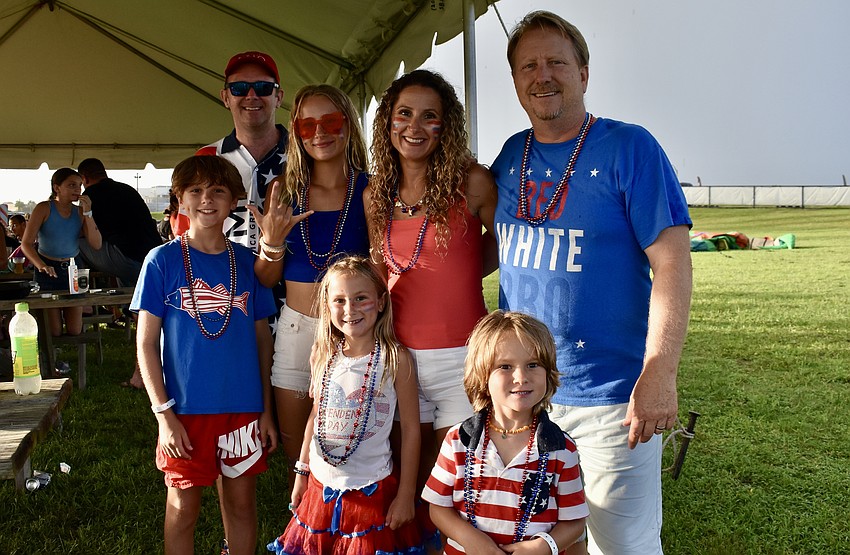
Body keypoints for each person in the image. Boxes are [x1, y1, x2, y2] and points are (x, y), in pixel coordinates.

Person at [491, 11, 693, 554]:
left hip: (610, 397)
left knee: (620, 544)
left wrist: (659, 371)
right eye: (528, 65)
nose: (543, 75)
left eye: (557, 61)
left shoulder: (630, 148)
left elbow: (673, 263)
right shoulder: (511, 156)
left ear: (583, 71)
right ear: (514, 82)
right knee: (537, 538)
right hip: (524, 394)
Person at [131, 156, 278, 554]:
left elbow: (263, 341)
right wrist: (163, 415)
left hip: (242, 409)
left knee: (242, 506)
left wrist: (265, 410)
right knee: (183, 507)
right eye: (195, 191)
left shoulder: (249, 264)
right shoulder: (161, 260)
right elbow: (145, 343)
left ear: (234, 201)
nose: (206, 199)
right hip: (185, 411)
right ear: (179, 200)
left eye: (217, 191)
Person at [366, 69, 498, 513]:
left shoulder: (473, 182)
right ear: (389, 123)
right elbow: (380, 269)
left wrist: (459, 275)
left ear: (447, 126)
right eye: (404, 114)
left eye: (429, 117)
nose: (415, 127)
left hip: (462, 357)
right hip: (399, 356)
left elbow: (503, 246)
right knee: (410, 475)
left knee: (458, 481)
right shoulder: (375, 195)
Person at [266, 256, 423, 555]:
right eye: (339, 300)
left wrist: (406, 494)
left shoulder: (394, 359)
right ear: (327, 306)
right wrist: (301, 473)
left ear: (379, 302)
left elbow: (412, 430)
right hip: (320, 489)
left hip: (371, 490)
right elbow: (315, 417)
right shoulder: (323, 354)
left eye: (360, 298)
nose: (349, 309)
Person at [423, 310, 589, 555]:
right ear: (483, 376)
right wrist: (470, 539)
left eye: (533, 365)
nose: (521, 377)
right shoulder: (458, 440)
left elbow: (574, 521)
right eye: (505, 366)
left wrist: (542, 546)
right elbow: (438, 507)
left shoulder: (561, 449)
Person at [271, 84, 370, 488]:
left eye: (330, 121)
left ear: (347, 125)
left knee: (351, 452)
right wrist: (271, 243)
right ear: (295, 130)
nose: (319, 132)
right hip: (297, 330)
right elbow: (265, 277)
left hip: (353, 333)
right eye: (307, 123)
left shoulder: (369, 190)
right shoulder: (284, 191)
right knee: (300, 458)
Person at [197, 50, 290, 293]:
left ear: (278, 97)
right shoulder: (206, 158)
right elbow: (191, 236)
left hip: (295, 299)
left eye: (262, 87)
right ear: (225, 97)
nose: (251, 95)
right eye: (239, 88)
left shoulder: (306, 155)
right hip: (227, 294)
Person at [20, 168, 102, 337]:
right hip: (47, 269)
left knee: (74, 330)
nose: (77, 190)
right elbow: (26, 244)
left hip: (74, 268)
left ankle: (70, 360)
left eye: (79, 185)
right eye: (71, 185)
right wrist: (41, 266)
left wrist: (88, 213)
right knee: (54, 331)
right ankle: (53, 359)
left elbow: (96, 244)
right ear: (57, 188)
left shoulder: (80, 212)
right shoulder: (44, 208)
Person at [76, 158, 162, 286]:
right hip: (155, 259)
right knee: (119, 245)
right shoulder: (127, 189)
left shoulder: (89, 195)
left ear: (84, 179)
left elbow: (84, 232)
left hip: (130, 262)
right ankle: (127, 304)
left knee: (74, 243)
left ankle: (79, 289)